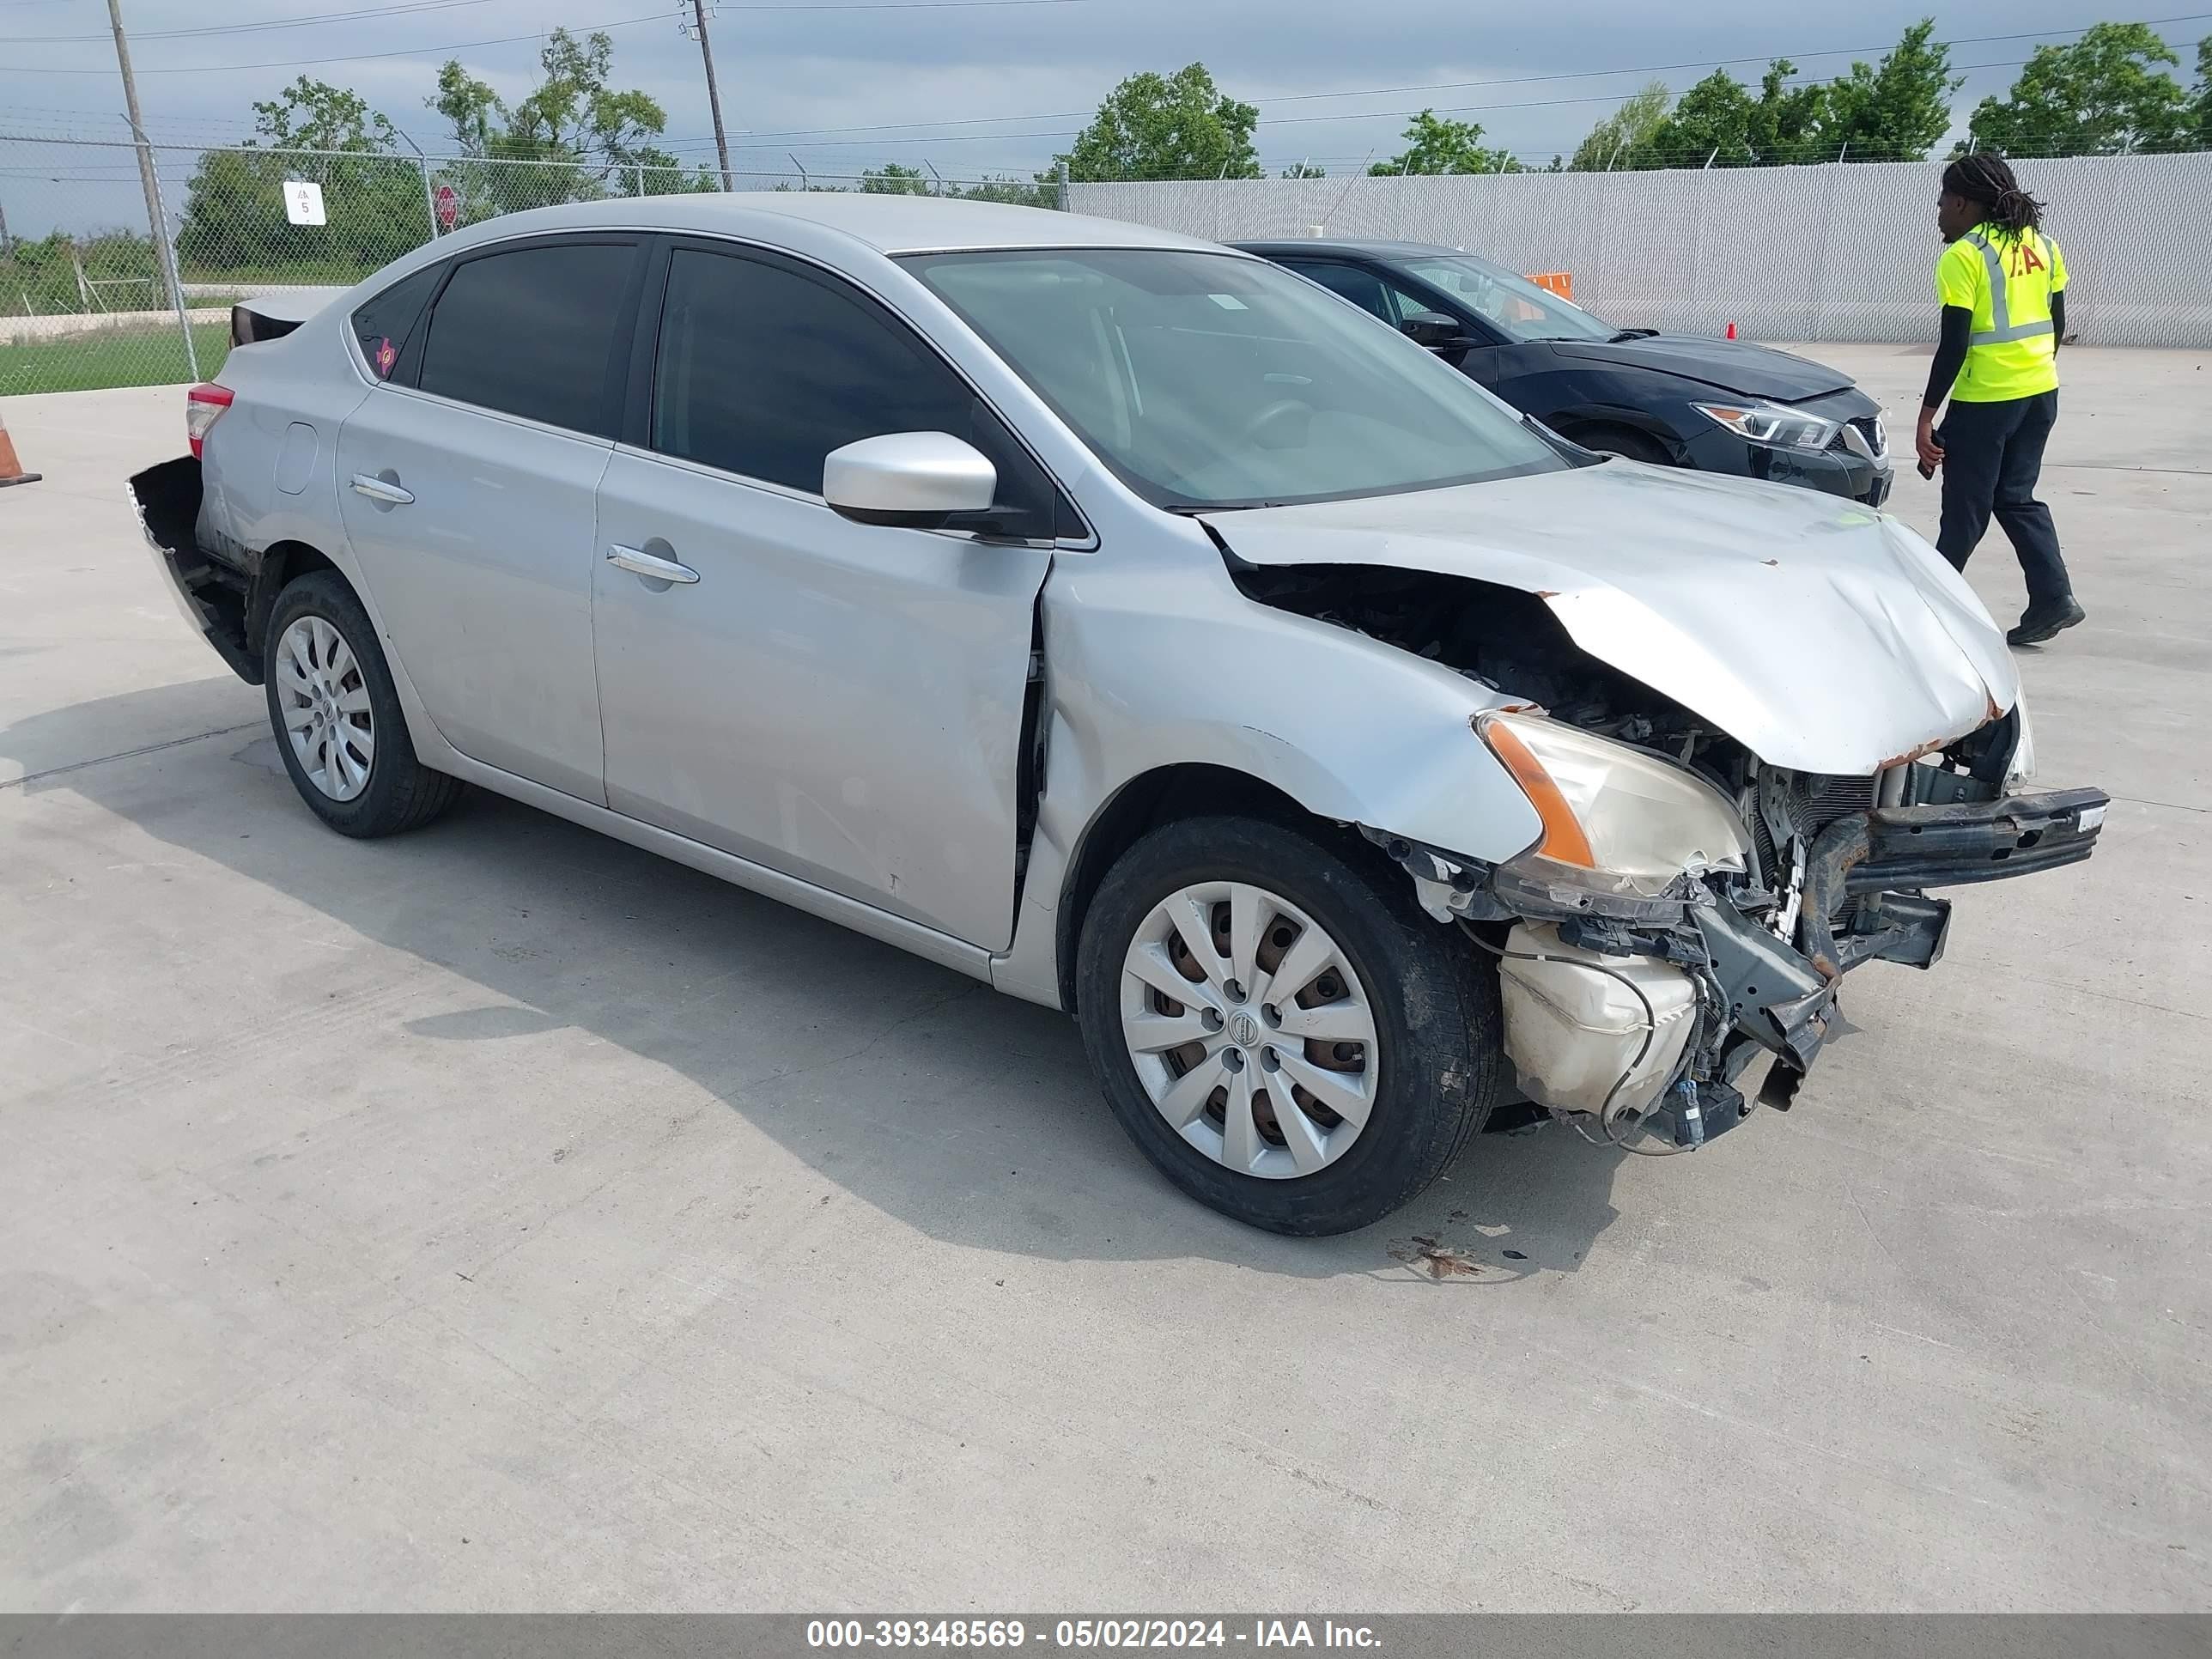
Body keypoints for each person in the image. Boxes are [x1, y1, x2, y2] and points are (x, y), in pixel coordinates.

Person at [1914, 155, 2084, 647]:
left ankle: (1932, 611)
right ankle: (2054, 597)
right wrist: (2034, 373)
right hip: (2039, 394)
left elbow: (1954, 344)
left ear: (1963, 203)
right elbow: (2055, 323)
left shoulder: (1963, 256)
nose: (1939, 211)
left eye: (1943, 201)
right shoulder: (2044, 245)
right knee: (2015, 496)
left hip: (1987, 398)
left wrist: (1927, 419)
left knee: (1966, 507)